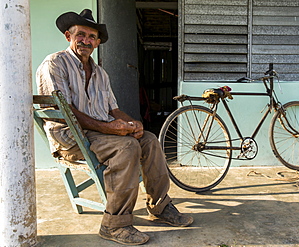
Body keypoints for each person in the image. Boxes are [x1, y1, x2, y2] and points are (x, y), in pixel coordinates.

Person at [36, 9, 193, 245]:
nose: (86, 41)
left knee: (149, 139)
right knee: (126, 147)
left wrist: (133, 122)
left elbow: (113, 110)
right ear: (69, 36)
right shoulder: (55, 63)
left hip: (98, 133)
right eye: (81, 35)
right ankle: (114, 225)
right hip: (71, 138)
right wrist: (109, 129)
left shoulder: (100, 72)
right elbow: (66, 113)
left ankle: (160, 207)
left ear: (97, 43)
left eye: (92, 37)